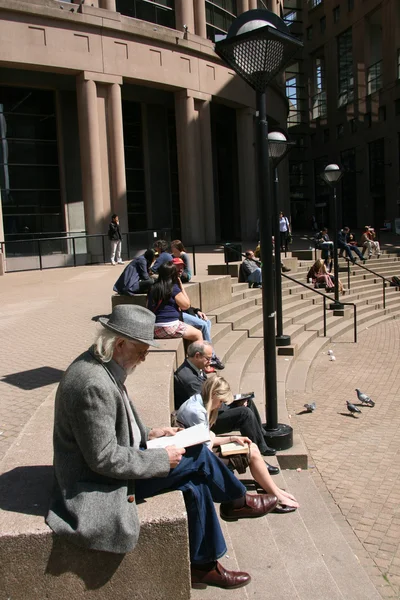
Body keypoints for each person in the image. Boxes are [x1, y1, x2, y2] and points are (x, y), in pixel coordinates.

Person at [46, 305, 278, 590]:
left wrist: (151, 433)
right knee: (197, 456)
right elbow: (103, 458)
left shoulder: (102, 366)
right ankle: (236, 501)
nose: (145, 357)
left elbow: (113, 425)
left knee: (196, 482)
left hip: (106, 471)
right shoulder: (93, 384)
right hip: (97, 485)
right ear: (120, 344)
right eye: (142, 349)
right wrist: (159, 459)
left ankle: (204, 565)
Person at [176, 376, 299, 513]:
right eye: (221, 401)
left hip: (198, 450)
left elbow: (206, 440)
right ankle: (277, 495)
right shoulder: (197, 412)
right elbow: (206, 451)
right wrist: (212, 437)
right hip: (199, 459)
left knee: (252, 447)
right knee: (251, 453)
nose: (220, 405)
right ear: (214, 394)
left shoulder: (197, 401)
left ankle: (274, 490)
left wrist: (231, 438)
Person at [173, 342, 278, 462]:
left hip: (208, 410)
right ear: (197, 355)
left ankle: (260, 437)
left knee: (247, 402)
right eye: (208, 358)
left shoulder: (194, 368)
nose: (210, 361)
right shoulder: (189, 379)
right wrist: (231, 403)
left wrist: (234, 401)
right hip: (205, 419)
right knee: (244, 413)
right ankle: (258, 450)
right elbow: (209, 403)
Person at [172, 257, 224, 371]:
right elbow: (184, 305)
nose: (180, 269)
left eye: (182, 266)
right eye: (178, 266)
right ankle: (211, 357)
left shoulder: (178, 280)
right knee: (203, 325)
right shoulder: (172, 283)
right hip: (176, 315)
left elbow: (187, 305)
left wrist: (197, 311)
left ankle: (208, 353)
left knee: (207, 321)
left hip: (182, 312)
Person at [147, 262, 203, 343]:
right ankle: (198, 356)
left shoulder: (152, 287)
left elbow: (148, 306)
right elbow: (186, 305)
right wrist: (180, 286)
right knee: (198, 334)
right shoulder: (173, 288)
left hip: (154, 328)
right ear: (173, 274)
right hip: (170, 326)